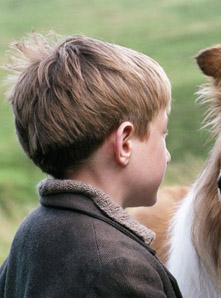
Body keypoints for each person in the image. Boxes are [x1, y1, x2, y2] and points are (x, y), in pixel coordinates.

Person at [0, 32, 182, 297]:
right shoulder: (117, 268)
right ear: (125, 143)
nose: (167, 155)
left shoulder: (32, 230)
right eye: (162, 133)